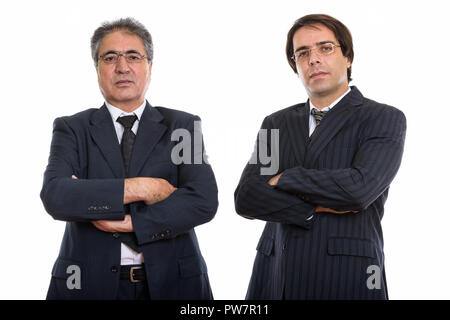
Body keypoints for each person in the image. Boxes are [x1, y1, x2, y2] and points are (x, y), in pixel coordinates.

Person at [40, 17, 218, 300]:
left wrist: (134, 222)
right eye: (110, 57)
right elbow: (56, 195)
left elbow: (202, 201)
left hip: (174, 283)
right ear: (96, 68)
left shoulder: (182, 126)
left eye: (133, 56)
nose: (122, 67)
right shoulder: (72, 128)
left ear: (150, 66)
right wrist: (146, 188)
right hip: (86, 283)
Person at [234, 14, 406, 299]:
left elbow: (358, 189)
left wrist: (285, 177)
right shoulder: (276, 123)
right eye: (303, 53)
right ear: (295, 66)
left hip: (346, 275)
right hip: (276, 274)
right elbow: (247, 198)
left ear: (347, 57)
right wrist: (310, 210)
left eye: (325, 48)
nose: (313, 59)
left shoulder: (382, 118)